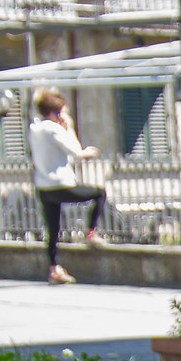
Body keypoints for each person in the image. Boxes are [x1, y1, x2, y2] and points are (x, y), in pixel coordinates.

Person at [26, 89, 107, 284]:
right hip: (61, 184)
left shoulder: (34, 129)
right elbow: (76, 151)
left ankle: (54, 268)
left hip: (43, 187)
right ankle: (91, 232)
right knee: (99, 193)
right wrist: (69, 127)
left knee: (52, 229)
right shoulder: (54, 129)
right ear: (57, 112)